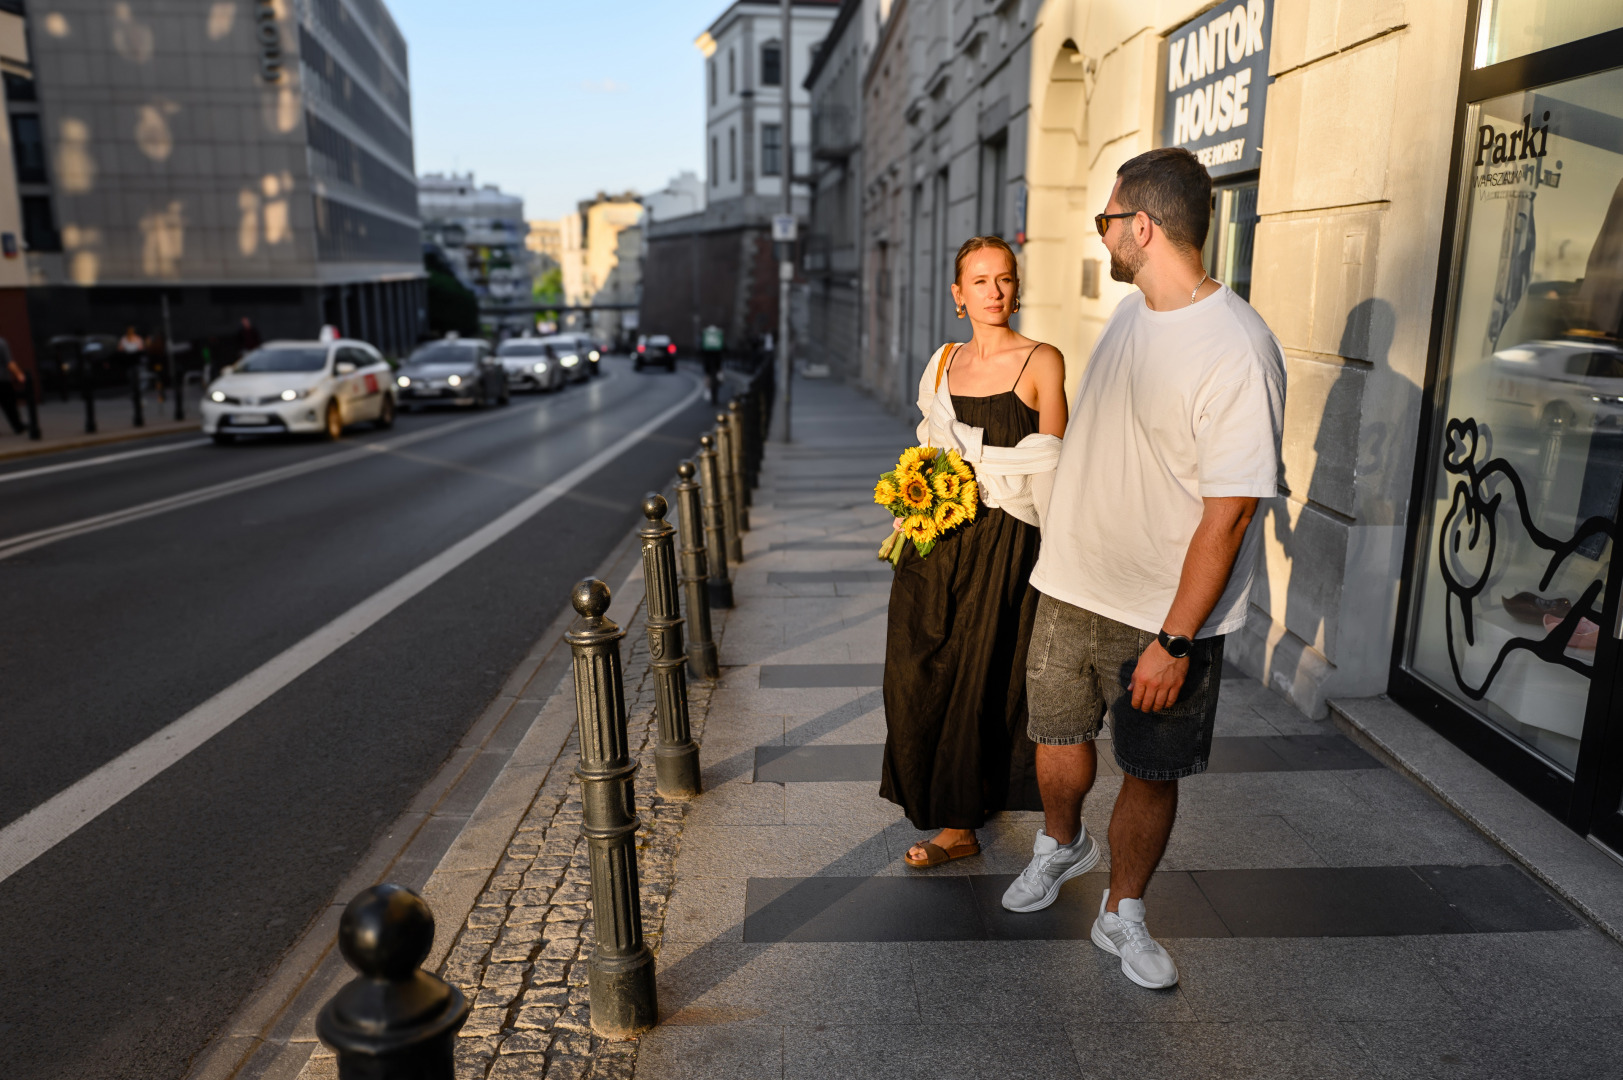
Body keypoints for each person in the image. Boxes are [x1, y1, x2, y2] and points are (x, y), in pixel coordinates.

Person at [1001, 147, 1285, 989]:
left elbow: (1230, 511)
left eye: (1106, 222)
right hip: (1071, 583)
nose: (1102, 238)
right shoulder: (1134, 312)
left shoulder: (1237, 349)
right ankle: (1061, 841)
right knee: (1054, 738)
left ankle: (1122, 912)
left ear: (1142, 228)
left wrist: (1173, 639)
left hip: (1162, 615)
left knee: (1150, 768)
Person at [881, 235, 1068, 868]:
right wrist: (915, 508)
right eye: (980, 281)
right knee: (915, 667)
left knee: (980, 676)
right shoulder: (941, 362)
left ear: (1017, 288)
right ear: (959, 295)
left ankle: (960, 825)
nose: (995, 291)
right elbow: (931, 446)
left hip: (1006, 538)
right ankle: (939, 797)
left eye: (1005, 279)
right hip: (936, 537)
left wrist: (1062, 556)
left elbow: (1050, 461)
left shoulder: (1042, 360)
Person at [0, 337, 25, 435]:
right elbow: (9, 362)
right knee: (9, 405)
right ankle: (18, 426)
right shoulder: (2, 343)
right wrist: (19, 374)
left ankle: (18, 426)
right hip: (2, 380)